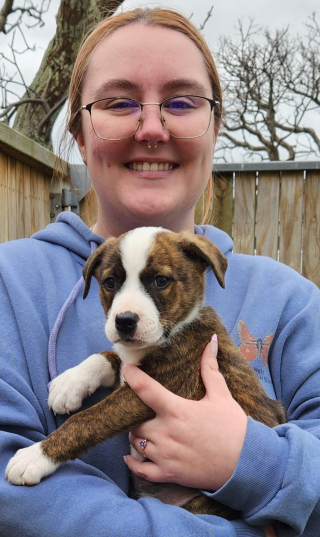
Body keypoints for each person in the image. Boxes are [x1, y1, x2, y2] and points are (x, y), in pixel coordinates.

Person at [0, 7, 320, 537]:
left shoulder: (293, 302)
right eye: (118, 102)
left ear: (214, 128)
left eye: (182, 102)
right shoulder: (12, 283)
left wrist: (249, 460)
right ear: (79, 133)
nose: (152, 128)